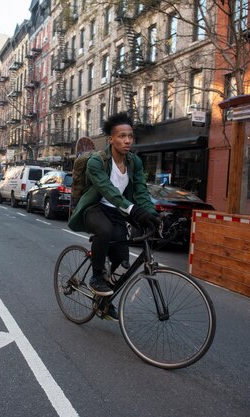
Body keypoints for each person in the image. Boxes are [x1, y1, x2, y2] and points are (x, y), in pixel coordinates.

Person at [68, 112, 160, 320]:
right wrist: (133, 210)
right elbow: (109, 190)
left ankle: (103, 301)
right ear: (111, 139)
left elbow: (141, 191)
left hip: (118, 212)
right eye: (121, 136)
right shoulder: (96, 163)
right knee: (105, 230)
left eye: (130, 136)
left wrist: (152, 215)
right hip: (95, 208)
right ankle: (95, 277)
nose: (127, 140)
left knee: (123, 261)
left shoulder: (134, 162)